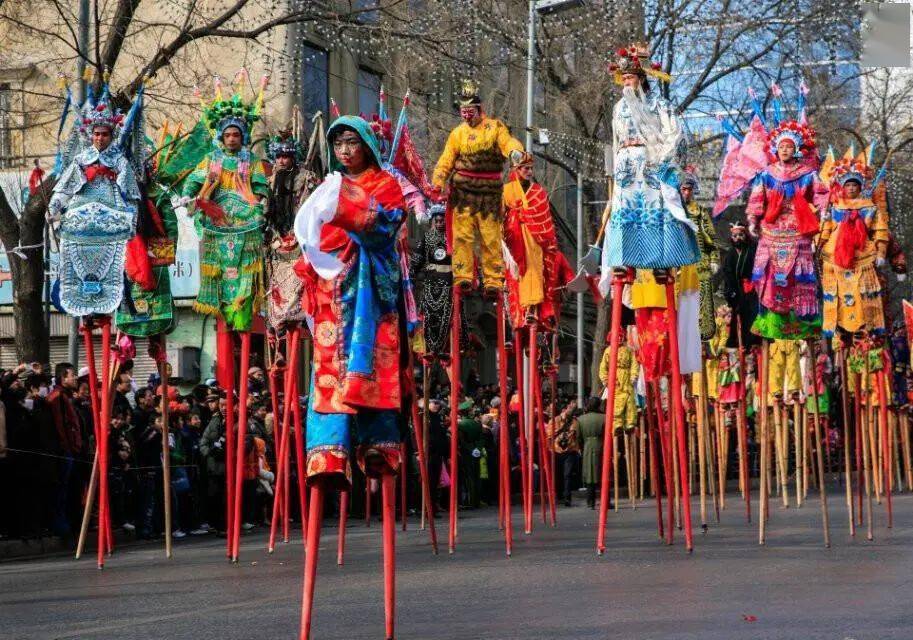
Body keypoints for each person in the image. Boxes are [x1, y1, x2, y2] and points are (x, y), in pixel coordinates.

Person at [294, 115, 410, 638]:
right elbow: (313, 233)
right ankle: (330, 453)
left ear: (368, 146)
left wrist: (343, 213)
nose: (345, 149)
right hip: (330, 305)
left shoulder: (386, 185)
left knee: (375, 378)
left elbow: (385, 227)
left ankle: (377, 447)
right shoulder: (328, 186)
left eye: (352, 141)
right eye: (338, 142)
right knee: (325, 383)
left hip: (369, 305)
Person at [600, 43, 698, 283]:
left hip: (652, 163)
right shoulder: (618, 108)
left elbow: (676, 134)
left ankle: (662, 261)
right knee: (624, 210)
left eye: (630, 78)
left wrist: (662, 158)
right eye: (623, 79)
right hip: (626, 168)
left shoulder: (659, 105)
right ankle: (623, 259)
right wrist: (615, 169)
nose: (626, 83)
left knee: (658, 211)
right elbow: (615, 140)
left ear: (642, 78)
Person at [182, 73, 269, 332]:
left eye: (236, 134)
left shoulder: (251, 161)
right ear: (221, 136)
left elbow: (262, 189)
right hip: (216, 225)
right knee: (218, 277)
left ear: (242, 136)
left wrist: (257, 200)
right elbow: (193, 182)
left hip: (246, 225)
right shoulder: (211, 159)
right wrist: (191, 194)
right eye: (228, 134)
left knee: (244, 278)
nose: (232, 138)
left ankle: (242, 312)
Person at [49, 81, 143, 317]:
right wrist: (53, 208)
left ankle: (119, 299)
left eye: (104, 134)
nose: (100, 138)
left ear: (112, 136)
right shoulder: (81, 159)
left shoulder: (120, 161)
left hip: (111, 218)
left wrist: (131, 223)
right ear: (91, 135)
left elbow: (131, 196)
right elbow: (65, 189)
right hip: (81, 217)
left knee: (117, 260)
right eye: (97, 134)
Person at [432, 79, 524, 296]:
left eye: (470, 110)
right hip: (463, 194)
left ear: (479, 109)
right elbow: (446, 160)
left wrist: (515, 152)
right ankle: (463, 275)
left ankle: (493, 279)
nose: (466, 114)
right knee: (462, 236)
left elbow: (508, 142)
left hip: (489, 194)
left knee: (490, 237)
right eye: (463, 110)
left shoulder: (495, 127)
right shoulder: (457, 134)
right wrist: (438, 181)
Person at [817, 146, 889, 337]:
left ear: (860, 187)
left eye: (854, 185)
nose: (850, 188)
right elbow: (825, 230)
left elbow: (880, 231)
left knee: (863, 299)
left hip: (862, 259)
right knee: (838, 299)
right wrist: (817, 244)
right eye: (847, 185)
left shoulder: (870, 208)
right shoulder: (834, 207)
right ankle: (839, 337)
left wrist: (881, 253)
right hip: (835, 260)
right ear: (842, 187)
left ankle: (868, 335)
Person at [264, 128, 317, 331]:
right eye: (279, 156)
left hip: (299, 243)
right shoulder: (268, 183)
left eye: (287, 156)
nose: (282, 161)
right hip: (277, 245)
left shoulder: (306, 179)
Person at [46, 363, 83, 536]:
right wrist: (67, 446)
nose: (75, 378)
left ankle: (69, 522)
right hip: (65, 451)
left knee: (70, 488)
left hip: (71, 449)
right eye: (72, 375)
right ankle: (60, 525)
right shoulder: (58, 397)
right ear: (63, 378)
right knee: (61, 489)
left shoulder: (66, 397)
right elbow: (61, 426)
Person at [721, 222, 759, 349]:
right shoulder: (730, 255)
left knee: (754, 315)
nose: (738, 238)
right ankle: (741, 343)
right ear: (732, 237)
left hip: (753, 288)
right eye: (735, 236)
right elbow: (727, 274)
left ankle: (754, 341)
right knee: (739, 317)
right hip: (737, 290)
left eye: (741, 235)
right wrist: (731, 292)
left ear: (745, 235)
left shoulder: (753, 249)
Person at [576, 397, 606, 510]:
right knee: (603, 474)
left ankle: (590, 501)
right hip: (601, 446)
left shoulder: (581, 419)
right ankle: (605, 501)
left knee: (590, 475)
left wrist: (581, 447)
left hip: (588, 447)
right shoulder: (604, 417)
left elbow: (578, 437)